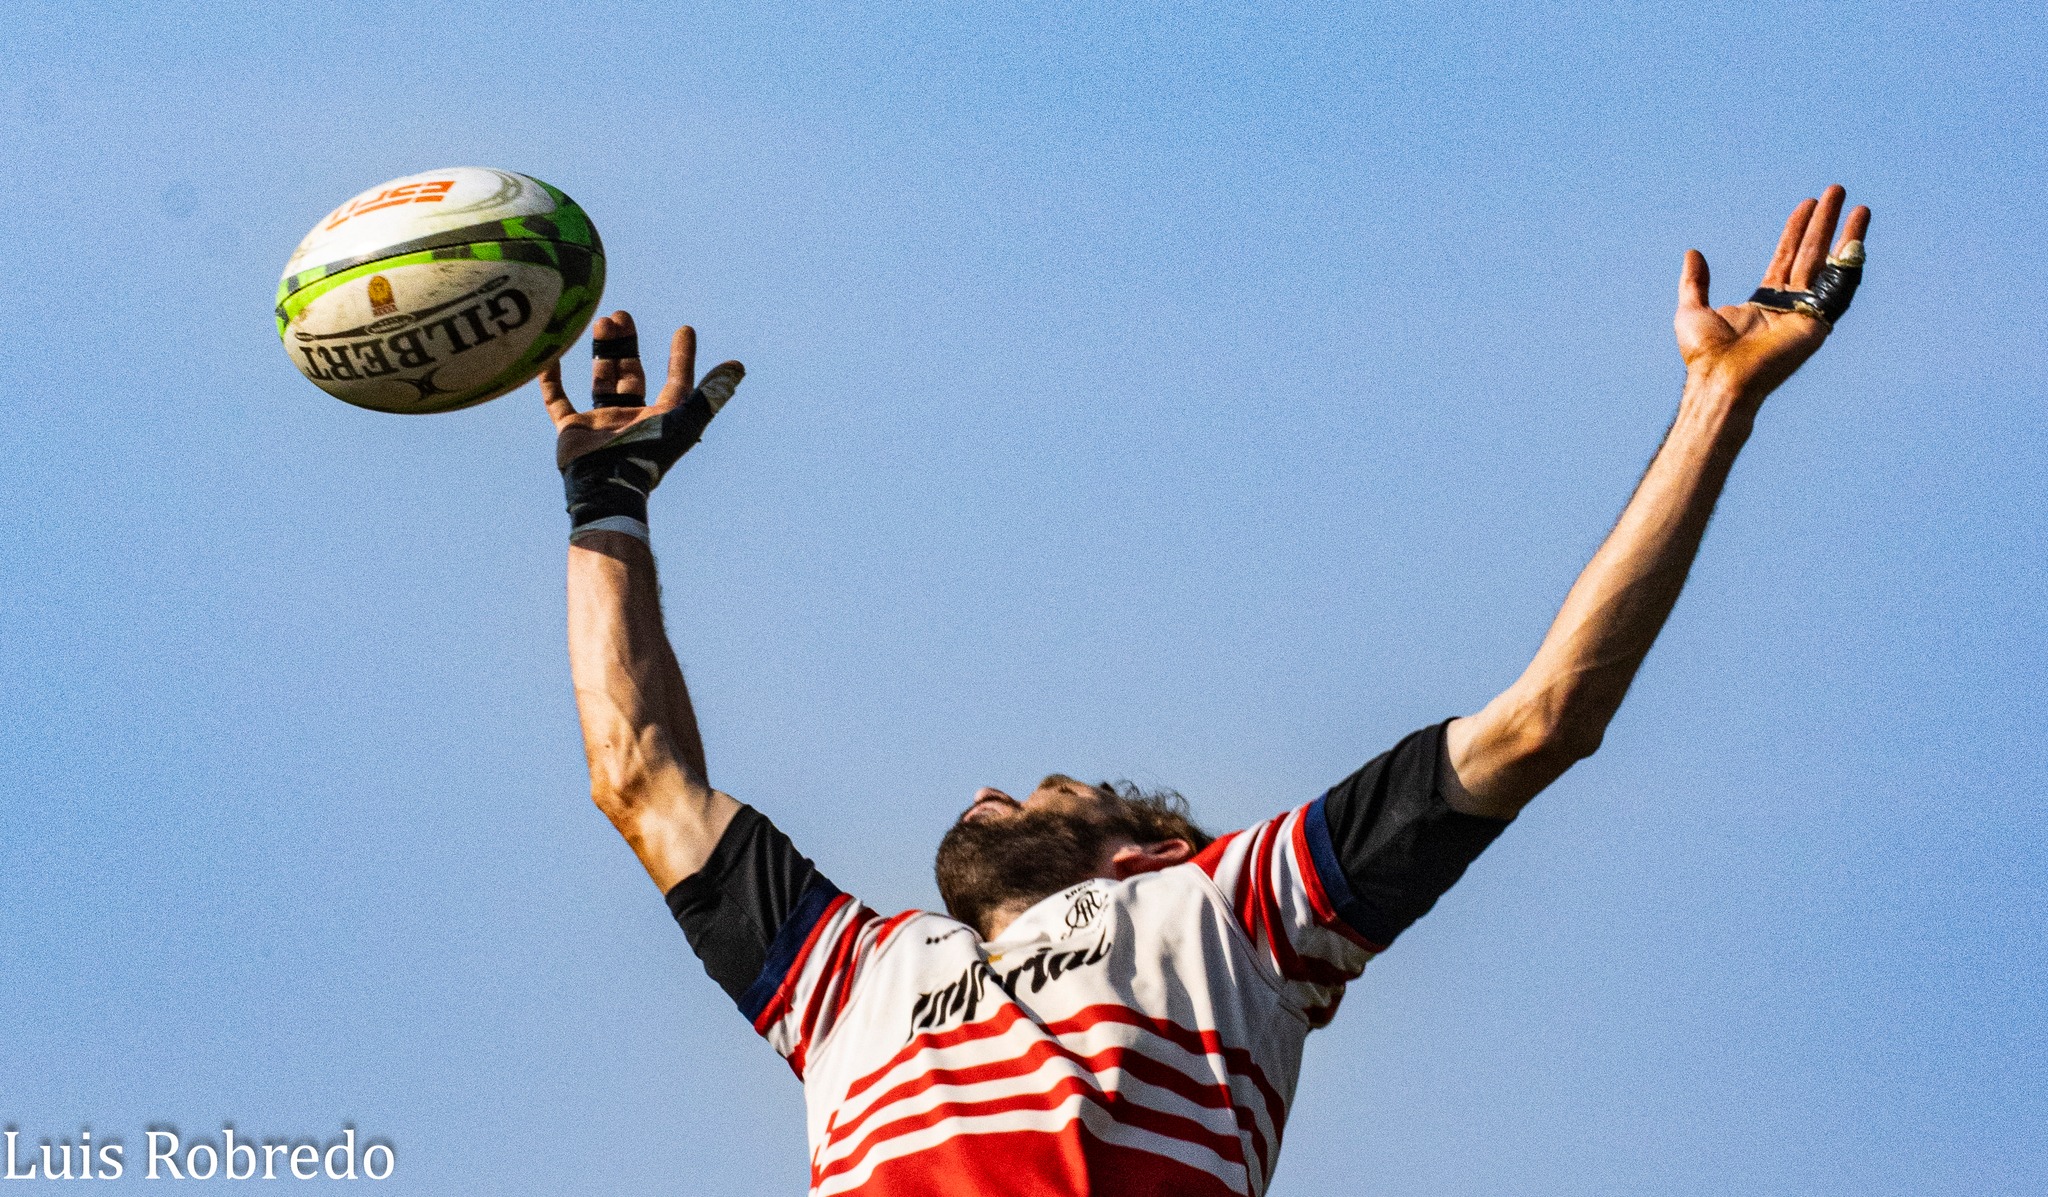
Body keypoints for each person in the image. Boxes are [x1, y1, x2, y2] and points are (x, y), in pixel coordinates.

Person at [536, 186, 1870, 1196]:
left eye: (1054, 789)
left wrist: (1718, 404)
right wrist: (608, 505)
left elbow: (1543, 718)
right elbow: (637, 773)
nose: (997, 787)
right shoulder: (858, 978)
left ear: (1149, 848)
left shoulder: (1229, 911)